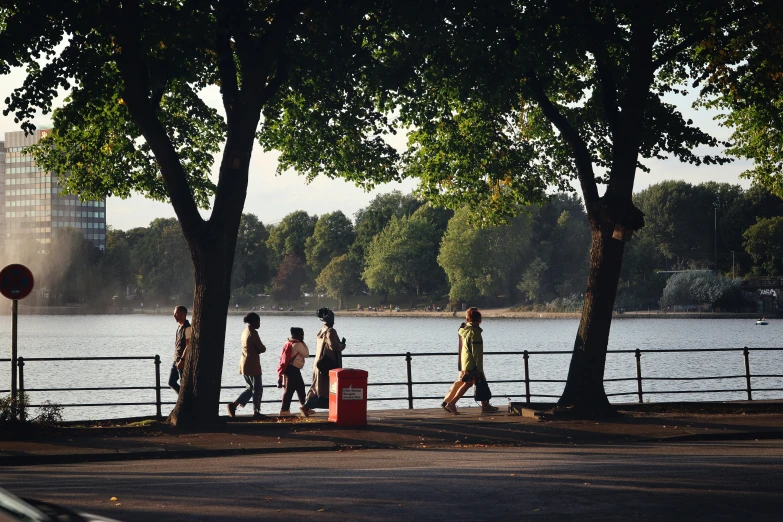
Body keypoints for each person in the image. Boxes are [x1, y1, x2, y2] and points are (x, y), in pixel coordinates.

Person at [441, 307, 498, 415]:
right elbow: (476, 351)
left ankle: (485, 405)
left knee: (479, 383)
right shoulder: (475, 333)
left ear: (468, 319)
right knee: (468, 384)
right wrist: (479, 368)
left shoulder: (465, 331)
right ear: (479, 320)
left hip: (466, 362)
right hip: (472, 364)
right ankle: (452, 403)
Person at [303, 307, 345, 413]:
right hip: (328, 364)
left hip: (319, 364)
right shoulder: (331, 331)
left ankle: (306, 406)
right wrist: (342, 345)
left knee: (317, 386)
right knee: (329, 389)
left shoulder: (321, 331)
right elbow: (334, 346)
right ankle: (308, 406)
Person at [227, 312, 267, 419]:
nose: (259, 324)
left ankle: (234, 405)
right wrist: (262, 349)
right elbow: (262, 348)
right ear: (253, 322)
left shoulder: (245, 331)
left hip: (244, 363)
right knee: (258, 389)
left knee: (250, 388)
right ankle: (256, 412)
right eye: (258, 321)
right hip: (253, 364)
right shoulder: (253, 333)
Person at [276, 327, 310, 416]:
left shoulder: (287, 343)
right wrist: (303, 343)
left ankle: (305, 407)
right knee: (290, 390)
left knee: (300, 388)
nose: (302, 336)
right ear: (295, 335)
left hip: (288, 368)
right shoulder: (298, 345)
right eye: (301, 334)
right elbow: (306, 354)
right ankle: (284, 410)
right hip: (293, 369)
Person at [168, 305, 191, 394]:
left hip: (183, 360)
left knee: (183, 383)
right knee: (171, 382)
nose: (174, 315)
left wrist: (182, 359)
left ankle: (185, 402)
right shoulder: (179, 327)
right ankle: (182, 401)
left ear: (182, 314)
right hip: (176, 360)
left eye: (176, 313)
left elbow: (188, 345)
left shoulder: (187, 328)